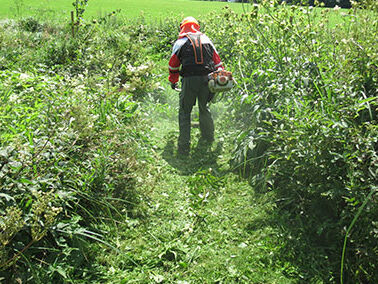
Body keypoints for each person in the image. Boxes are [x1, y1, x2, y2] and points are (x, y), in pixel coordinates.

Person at [168, 16, 224, 156]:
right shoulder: (207, 40)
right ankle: (209, 137)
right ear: (197, 27)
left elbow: (173, 65)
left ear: (182, 27)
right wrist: (219, 80)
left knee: (185, 111)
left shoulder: (180, 42)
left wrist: (173, 80)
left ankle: (184, 146)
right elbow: (217, 63)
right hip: (207, 79)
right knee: (204, 107)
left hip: (189, 79)